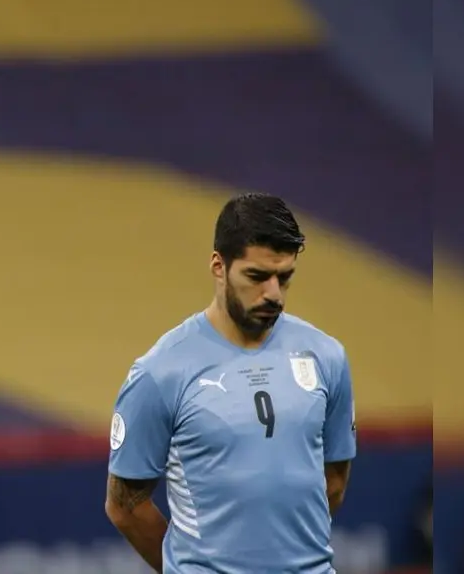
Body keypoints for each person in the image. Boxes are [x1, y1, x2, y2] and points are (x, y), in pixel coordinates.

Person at [105, 192, 356, 573]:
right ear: (219, 266)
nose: (273, 294)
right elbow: (125, 506)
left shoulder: (326, 356)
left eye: (284, 277)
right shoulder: (160, 372)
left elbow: (334, 482)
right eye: (256, 277)